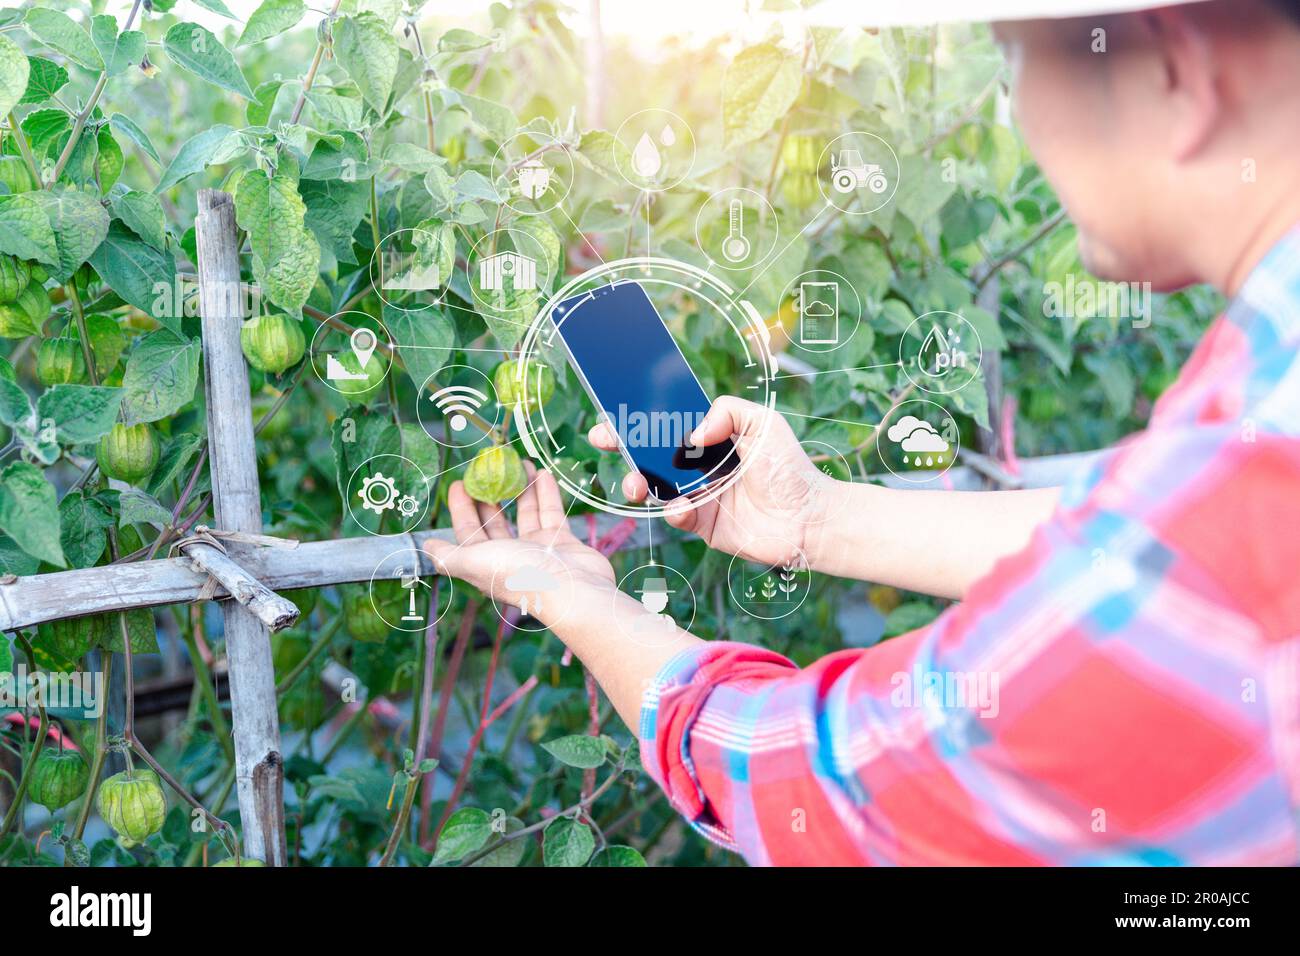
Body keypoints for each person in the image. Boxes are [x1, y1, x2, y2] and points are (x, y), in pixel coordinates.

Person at [424, 0, 1300, 865]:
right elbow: (1135, 537)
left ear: (1171, 71)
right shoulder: (1257, 406)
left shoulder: (1237, 486)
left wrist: (577, 598)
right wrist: (819, 519)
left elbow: (829, 785)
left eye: (1016, 60)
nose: (1020, 113)